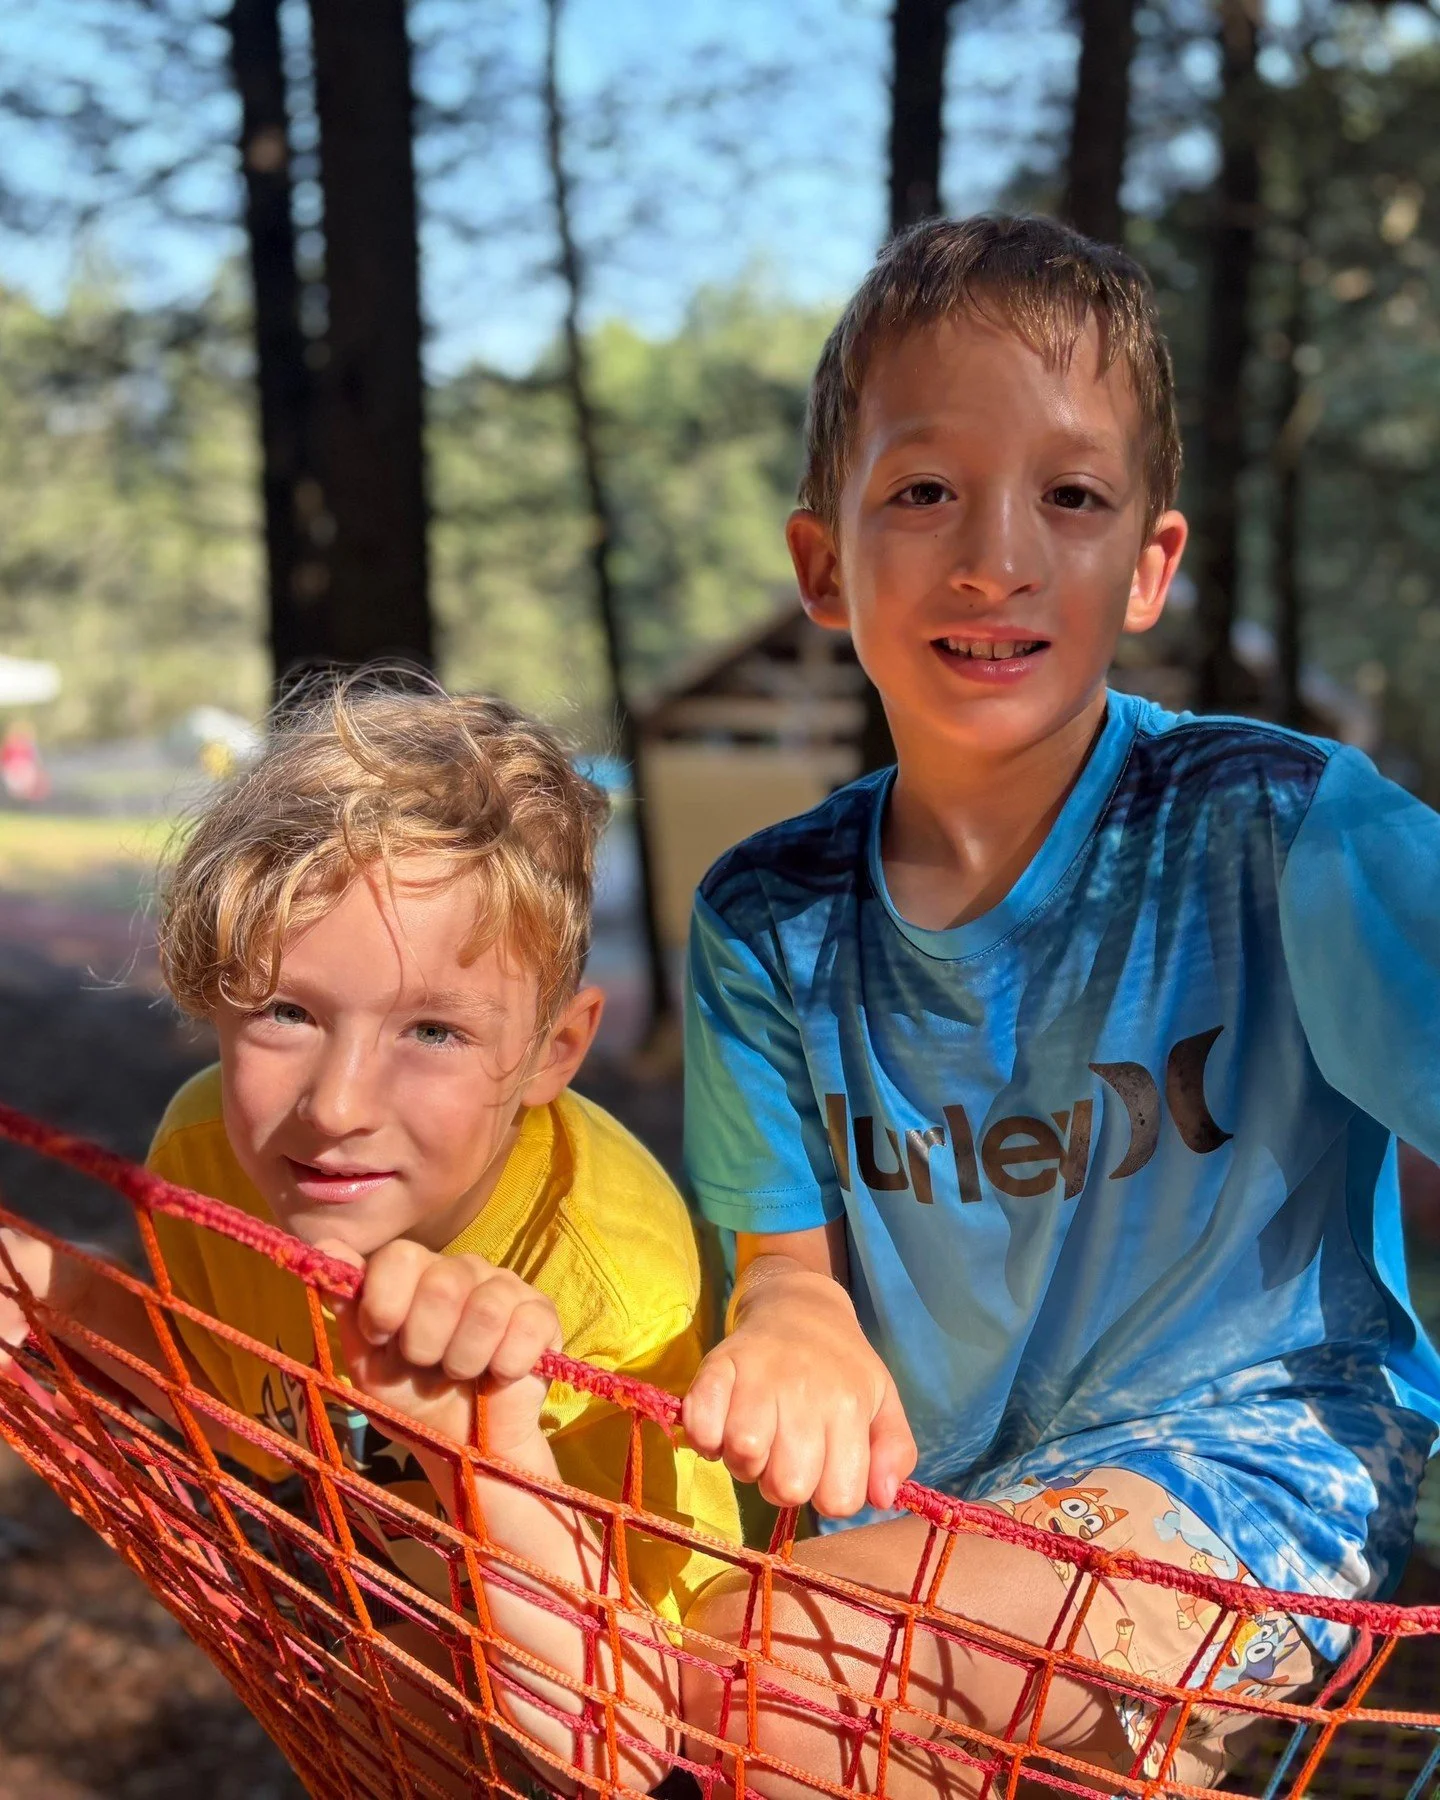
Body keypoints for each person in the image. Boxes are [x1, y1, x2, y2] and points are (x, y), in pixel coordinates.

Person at [677, 214, 1440, 1794]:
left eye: (1072, 496)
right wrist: (794, 1320)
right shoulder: (766, 923)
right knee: (706, 1686)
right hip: (934, 1532)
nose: (995, 554)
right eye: (924, 490)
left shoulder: (1281, 828)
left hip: (1260, 1484)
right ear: (824, 561)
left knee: (767, 1676)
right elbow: (787, 1275)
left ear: (1149, 563)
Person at [0, 676, 740, 1793]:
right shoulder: (206, 1151)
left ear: (555, 1047)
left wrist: (482, 1446)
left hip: (637, 1695)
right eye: (286, 1012)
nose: (337, 1105)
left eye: (432, 1030)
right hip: (380, 1637)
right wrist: (42, 1290)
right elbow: (217, 1395)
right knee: (377, 1686)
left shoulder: (608, 1274)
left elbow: (623, 1744)